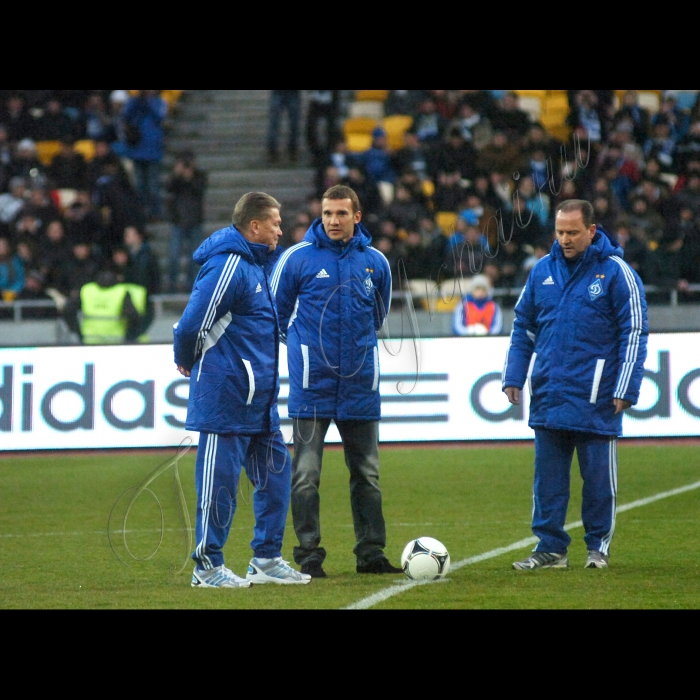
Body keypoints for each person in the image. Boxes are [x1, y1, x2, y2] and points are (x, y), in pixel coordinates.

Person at [173, 191, 310, 588]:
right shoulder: (229, 266)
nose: (280, 230)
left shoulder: (256, 267)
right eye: (275, 223)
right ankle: (207, 566)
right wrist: (186, 357)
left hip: (260, 402)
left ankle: (266, 559)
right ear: (254, 226)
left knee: (277, 479)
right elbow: (190, 324)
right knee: (219, 487)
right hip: (226, 398)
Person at [502, 199, 648, 571]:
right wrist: (514, 375)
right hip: (550, 393)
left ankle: (597, 546)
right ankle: (550, 549)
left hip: (596, 395)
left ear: (591, 231)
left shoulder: (617, 273)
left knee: (598, 482)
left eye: (572, 232)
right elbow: (524, 327)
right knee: (547, 483)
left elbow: (634, 331)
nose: (564, 239)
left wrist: (625, 386)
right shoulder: (541, 272)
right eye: (560, 232)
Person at [270, 184, 403, 578]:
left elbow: (377, 317)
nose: (333, 220)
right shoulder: (296, 259)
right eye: (327, 213)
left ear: (356, 217)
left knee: (367, 475)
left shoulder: (375, 262)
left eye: (341, 214)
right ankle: (309, 556)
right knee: (306, 475)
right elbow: (276, 317)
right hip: (313, 387)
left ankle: (371, 554)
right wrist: (306, 354)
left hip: (360, 386)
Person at [63, 267, 144, 344]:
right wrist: (129, 336)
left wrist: (77, 331)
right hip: (115, 340)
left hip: (90, 339)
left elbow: (68, 309)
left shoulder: (87, 289)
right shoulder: (121, 291)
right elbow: (133, 315)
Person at [164, 149, 208, 292]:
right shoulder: (176, 178)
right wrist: (177, 175)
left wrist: (189, 178)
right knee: (173, 256)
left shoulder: (200, 176)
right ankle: (171, 285)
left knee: (194, 258)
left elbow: (200, 189)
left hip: (195, 221)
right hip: (178, 220)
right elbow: (169, 188)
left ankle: (192, 284)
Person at [121, 90, 168, 221]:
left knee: (153, 185)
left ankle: (155, 212)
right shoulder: (134, 101)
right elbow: (125, 116)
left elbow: (160, 116)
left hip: (153, 150)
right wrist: (138, 101)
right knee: (139, 185)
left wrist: (148, 103)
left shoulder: (159, 102)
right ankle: (141, 212)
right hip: (137, 149)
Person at [266, 90, 301, 163]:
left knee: (294, 123)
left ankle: (292, 147)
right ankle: (272, 149)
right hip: (278, 93)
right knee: (274, 122)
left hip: (293, 93)